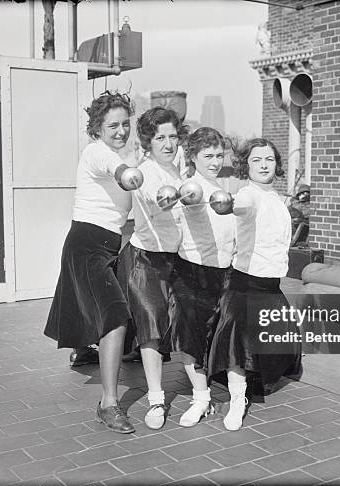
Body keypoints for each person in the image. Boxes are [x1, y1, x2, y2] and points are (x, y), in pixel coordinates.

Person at [44, 91, 143, 434]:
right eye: (113, 125)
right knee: (115, 315)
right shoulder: (98, 153)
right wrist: (126, 172)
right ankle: (109, 405)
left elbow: (125, 212)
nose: (120, 131)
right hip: (86, 244)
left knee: (99, 306)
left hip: (109, 245)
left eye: (125, 124)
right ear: (97, 129)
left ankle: (86, 351)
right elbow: (115, 169)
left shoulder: (122, 155)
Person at [206, 138, 302, 431]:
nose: (263, 165)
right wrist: (227, 205)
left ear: (277, 165)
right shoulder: (248, 196)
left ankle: (245, 390)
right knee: (237, 345)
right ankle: (237, 401)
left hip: (271, 288)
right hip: (245, 285)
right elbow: (239, 206)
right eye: (257, 160)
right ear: (246, 165)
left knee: (277, 351)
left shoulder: (277, 199)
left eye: (269, 160)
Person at [117, 107, 189, 430]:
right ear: (148, 140)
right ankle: (157, 400)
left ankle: (201, 393)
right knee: (150, 327)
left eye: (173, 136)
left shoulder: (181, 172)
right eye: (160, 137)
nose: (168, 143)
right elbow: (154, 199)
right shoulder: (142, 172)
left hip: (175, 260)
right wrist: (172, 198)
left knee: (181, 325)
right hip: (144, 261)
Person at [170, 127, 236, 427]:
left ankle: (231, 394)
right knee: (191, 336)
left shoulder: (225, 189)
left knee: (224, 336)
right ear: (193, 156)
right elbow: (188, 201)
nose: (214, 161)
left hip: (225, 272)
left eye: (219, 155)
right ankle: (201, 398)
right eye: (207, 155)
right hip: (193, 271)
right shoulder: (190, 188)